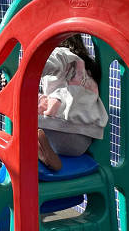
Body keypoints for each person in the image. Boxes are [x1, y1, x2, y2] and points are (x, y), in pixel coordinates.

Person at [36, 35, 108, 171]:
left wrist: (22, 72)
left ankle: (38, 147)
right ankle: (42, 147)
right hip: (83, 143)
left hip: (59, 134)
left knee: (24, 103)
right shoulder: (88, 67)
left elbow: (41, 64)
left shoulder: (61, 54)